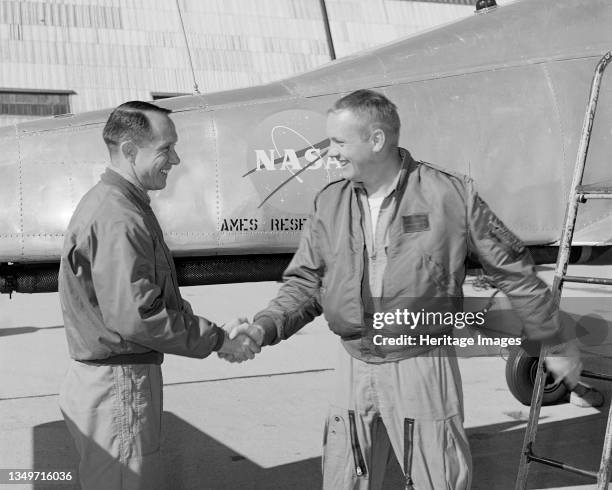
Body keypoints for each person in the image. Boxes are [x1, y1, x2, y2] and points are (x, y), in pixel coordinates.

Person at [224, 89, 602, 489]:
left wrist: (554, 341)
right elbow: (307, 283)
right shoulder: (330, 202)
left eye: (338, 142)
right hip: (353, 364)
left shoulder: (450, 194)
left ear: (376, 140)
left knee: (438, 480)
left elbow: (513, 270)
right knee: (344, 479)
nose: (329, 153)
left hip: (422, 363)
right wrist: (263, 328)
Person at [58, 101, 259, 490]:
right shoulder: (119, 217)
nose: (176, 158)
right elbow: (137, 317)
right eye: (165, 149)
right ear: (131, 151)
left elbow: (151, 297)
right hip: (119, 386)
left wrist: (215, 333)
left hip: (115, 383)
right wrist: (217, 339)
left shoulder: (122, 206)